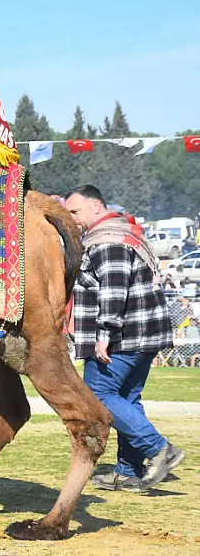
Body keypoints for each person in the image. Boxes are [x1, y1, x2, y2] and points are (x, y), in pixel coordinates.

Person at [65, 185, 185, 492]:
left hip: (124, 335)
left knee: (97, 394)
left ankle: (160, 450)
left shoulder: (107, 241)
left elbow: (114, 290)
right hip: (142, 333)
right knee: (128, 398)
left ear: (96, 207)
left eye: (75, 211)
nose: (71, 218)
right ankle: (128, 471)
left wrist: (104, 335)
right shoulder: (121, 233)